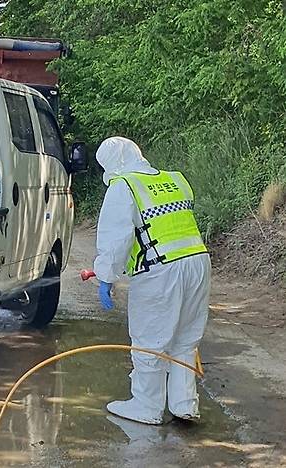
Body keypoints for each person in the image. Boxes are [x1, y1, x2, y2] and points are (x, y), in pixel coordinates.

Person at [93, 136, 211, 425]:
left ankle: (146, 406)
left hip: (161, 271)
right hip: (197, 262)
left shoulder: (124, 186)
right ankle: (184, 403)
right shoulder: (175, 179)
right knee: (185, 338)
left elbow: (116, 239)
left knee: (149, 340)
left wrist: (106, 277)